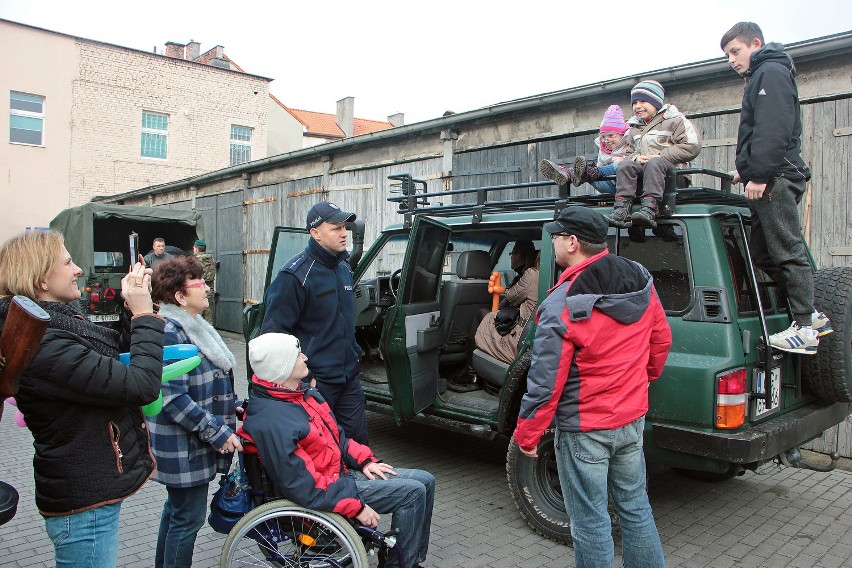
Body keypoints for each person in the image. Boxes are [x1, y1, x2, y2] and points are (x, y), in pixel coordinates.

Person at [513, 206, 671, 568]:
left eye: (555, 237)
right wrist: (641, 381)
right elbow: (661, 339)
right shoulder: (640, 278)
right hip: (631, 419)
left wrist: (527, 435)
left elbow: (545, 383)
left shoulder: (560, 302)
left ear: (572, 242)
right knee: (635, 508)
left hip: (585, 430)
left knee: (590, 522)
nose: (551, 243)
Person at [0, 229, 164, 568]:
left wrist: (131, 307)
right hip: (82, 503)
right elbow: (140, 385)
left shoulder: (54, 325)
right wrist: (145, 315)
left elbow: (109, 354)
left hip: (89, 494)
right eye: (67, 261)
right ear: (40, 280)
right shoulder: (43, 342)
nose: (78, 269)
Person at [240, 332, 435, 568]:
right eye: (297, 354)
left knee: (426, 480)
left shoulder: (303, 395)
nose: (305, 357)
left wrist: (365, 461)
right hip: (329, 488)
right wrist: (356, 506)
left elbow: (337, 438)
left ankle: (411, 559)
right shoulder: (273, 419)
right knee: (412, 493)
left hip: (338, 475)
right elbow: (303, 485)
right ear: (281, 367)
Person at [720, 21, 832, 354]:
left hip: (778, 177)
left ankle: (805, 328)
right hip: (769, 173)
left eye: (735, 51)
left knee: (786, 249)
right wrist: (746, 170)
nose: (731, 59)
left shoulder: (771, 72)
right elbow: (760, 133)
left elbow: (773, 127)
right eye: (727, 55)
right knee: (762, 253)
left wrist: (761, 175)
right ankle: (812, 314)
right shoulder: (760, 76)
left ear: (755, 43)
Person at [147, 256, 241, 568]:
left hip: (190, 443)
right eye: (199, 283)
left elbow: (210, 381)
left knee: (177, 513)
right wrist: (217, 431)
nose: (207, 288)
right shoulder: (171, 331)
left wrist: (232, 405)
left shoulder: (195, 326)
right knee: (187, 519)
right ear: (179, 296)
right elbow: (173, 399)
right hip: (183, 446)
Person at [260, 201, 369, 444]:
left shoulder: (343, 268)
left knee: (358, 450)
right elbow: (272, 337)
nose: (343, 233)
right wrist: (306, 377)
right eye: (335, 228)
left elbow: (344, 322)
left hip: (348, 380)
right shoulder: (294, 276)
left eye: (344, 227)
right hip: (317, 385)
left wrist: (354, 355)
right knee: (322, 451)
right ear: (315, 233)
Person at [607, 80, 702, 229]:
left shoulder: (675, 121)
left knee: (654, 163)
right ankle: (622, 209)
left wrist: (661, 156)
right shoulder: (634, 128)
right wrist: (635, 158)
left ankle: (650, 208)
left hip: (672, 178)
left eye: (643, 101)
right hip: (645, 179)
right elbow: (625, 152)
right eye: (634, 103)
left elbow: (692, 145)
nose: (637, 106)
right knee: (625, 165)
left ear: (656, 101)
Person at [474, 239, 540, 364]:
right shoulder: (548, 277)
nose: (511, 257)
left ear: (519, 255)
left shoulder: (530, 275)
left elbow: (510, 297)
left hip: (519, 336)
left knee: (483, 316)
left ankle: (471, 369)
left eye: (512, 254)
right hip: (528, 332)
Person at [540, 105, 630, 194]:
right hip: (613, 189)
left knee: (619, 165)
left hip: (629, 187)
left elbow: (638, 161)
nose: (606, 140)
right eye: (603, 136)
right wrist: (602, 195)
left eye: (611, 135)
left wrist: (624, 160)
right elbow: (599, 171)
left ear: (622, 134)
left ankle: (570, 172)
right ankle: (580, 173)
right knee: (591, 176)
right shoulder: (603, 151)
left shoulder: (630, 143)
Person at [191, 239, 216, 325]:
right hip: (209, 290)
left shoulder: (193, 261)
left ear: (196, 249)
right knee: (209, 314)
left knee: (197, 315)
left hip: (196, 291)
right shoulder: (211, 259)